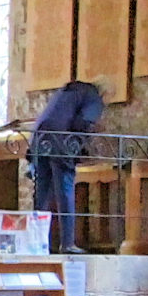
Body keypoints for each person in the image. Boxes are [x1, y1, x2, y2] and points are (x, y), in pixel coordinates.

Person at [27, 77, 106, 250]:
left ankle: (36, 243)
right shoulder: (93, 97)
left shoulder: (67, 91)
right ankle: (68, 243)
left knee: (42, 193)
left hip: (39, 137)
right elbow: (82, 123)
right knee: (65, 189)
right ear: (104, 93)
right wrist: (81, 145)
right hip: (60, 141)